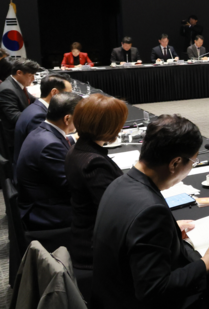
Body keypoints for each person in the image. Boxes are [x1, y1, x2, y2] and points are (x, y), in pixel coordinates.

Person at [91, 115, 209, 309]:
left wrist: (168, 232)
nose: (191, 167)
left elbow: (128, 237)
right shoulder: (150, 211)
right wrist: (207, 263)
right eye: (193, 161)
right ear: (175, 163)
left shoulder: (120, 183)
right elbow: (154, 289)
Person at [66, 94, 128, 270]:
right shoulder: (94, 163)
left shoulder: (77, 150)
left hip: (82, 234)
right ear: (108, 126)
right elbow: (115, 214)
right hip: (95, 248)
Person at [16, 92, 81, 231]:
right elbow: (71, 187)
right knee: (101, 210)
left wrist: (74, 138)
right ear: (67, 118)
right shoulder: (50, 146)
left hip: (41, 199)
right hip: (46, 212)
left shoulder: (43, 130)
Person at [14, 73, 72, 168]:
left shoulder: (37, 107)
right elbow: (47, 144)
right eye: (69, 93)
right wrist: (73, 138)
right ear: (54, 93)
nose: (71, 97)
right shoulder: (39, 116)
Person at [0, 59, 42, 159]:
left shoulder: (17, 83)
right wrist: (41, 118)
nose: (33, 79)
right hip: (14, 138)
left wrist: (48, 104)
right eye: (31, 75)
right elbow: (15, 117)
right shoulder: (7, 89)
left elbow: (32, 100)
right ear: (19, 73)